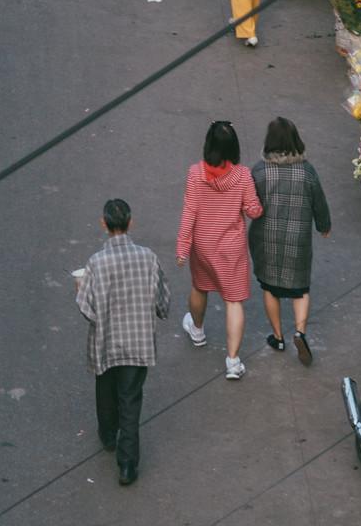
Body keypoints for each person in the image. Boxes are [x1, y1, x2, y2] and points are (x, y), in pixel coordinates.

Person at [74, 197, 169, 490]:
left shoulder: (96, 263)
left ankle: (107, 435)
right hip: (138, 342)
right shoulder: (149, 258)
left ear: (104, 224)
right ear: (131, 222)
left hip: (105, 342)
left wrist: (80, 288)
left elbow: (87, 308)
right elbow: (162, 302)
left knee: (105, 390)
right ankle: (127, 464)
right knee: (130, 399)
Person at [176, 120, 262, 374]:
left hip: (202, 245)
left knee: (200, 287)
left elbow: (190, 210)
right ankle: (233, 362)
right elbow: (253, 211)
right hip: (232, 249)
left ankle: (197, 330)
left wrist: (183, 246)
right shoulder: (243, 175)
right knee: (233, 302)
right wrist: (256, 205)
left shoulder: (195, 173)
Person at [250, 118, 331, 366]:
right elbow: (319, 201)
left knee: (269, 287)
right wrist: (323, 225)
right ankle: (300, 332)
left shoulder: (259, 171)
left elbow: (251, 206)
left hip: (267, 237)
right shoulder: (307, 171)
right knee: (300, 289)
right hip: (298, 238)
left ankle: (278, 337)